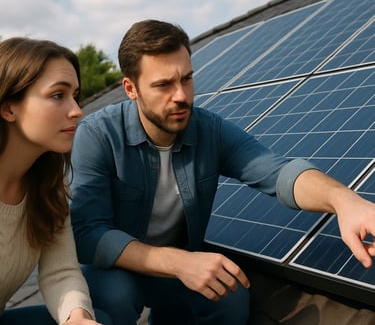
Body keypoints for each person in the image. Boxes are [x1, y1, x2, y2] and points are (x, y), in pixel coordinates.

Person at [69, 19, 375, 325]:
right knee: (112, 297)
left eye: (187, 79)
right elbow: (87, 234)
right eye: (163, 85)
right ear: (130, 89)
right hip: (119, 270)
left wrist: (343, 200)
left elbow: (278, 173)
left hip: (178, 268)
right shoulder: (98, 136)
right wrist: (178, 262)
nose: (181, 96)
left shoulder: (208, 130)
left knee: (229, 296)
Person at [0, 37, 113, 325]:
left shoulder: (50, 188)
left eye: (75, 95)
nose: (77, 110)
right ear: (8, 108)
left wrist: (77, 318)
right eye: (57, 95)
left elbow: (59, 272)